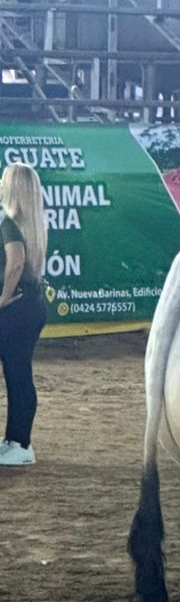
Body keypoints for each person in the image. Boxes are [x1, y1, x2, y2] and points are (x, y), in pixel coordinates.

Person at [0, 164, 48, 466]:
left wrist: (3, 297)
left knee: (18, 375)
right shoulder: (32, 223)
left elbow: (16, 261)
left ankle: (20, 444)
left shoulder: (8, 222)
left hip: (15, 309)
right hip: (29, 307)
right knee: (18, 374)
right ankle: (15, 440)